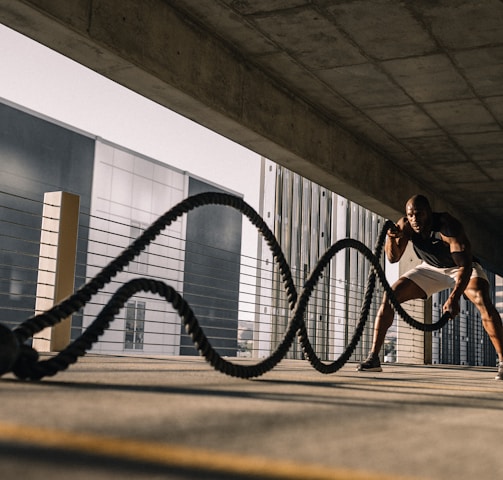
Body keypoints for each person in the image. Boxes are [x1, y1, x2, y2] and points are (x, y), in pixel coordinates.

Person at [357, 194, 503, 380]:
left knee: (482, 299)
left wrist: (454, 298)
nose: (415, 220)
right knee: (390, 295)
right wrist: (391, 239)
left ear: (429, 213)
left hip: (459, 267)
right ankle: (374, 358)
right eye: (411, 215)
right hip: (430, 268)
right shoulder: (406, 225)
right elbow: (393, 258)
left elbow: (465, 266)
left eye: (419, 214)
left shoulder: (448, 226)